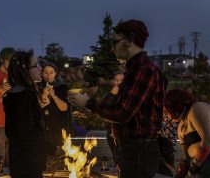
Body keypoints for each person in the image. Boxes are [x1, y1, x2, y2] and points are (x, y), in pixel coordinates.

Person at [70, 19, 165, 178]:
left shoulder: (144, 69)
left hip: (138, 151)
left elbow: (122, 113)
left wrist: (88, 102)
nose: (112, 47)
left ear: (130, 40)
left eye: (115, 41)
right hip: (134, 149)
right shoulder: (135, 69)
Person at [3, 50, 55, 178]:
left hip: (21, 161)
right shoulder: (24, 96)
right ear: (24, 70)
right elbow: (26, 132)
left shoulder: (17, 93)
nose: (40, 68)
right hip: (27, 163)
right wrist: (48, 148)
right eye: (35, 65)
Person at [165, 89, 210, 178]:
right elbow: (185, 160)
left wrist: (195, 165)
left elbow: (209, 140)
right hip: (205, 169)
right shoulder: (181, 126)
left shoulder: (197, 108)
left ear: (173, 105)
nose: (166, 115)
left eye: (166, 111)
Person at [37, 62, 69, 147]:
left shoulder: (62, 87)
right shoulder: (37, 87)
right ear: (42, 73)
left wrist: (53, 95)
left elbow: (64, 108)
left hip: (58, 126)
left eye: (51, 72)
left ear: (55, 73)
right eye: (46, 72)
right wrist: (43, 95)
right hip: (42, 125)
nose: (48, 75)